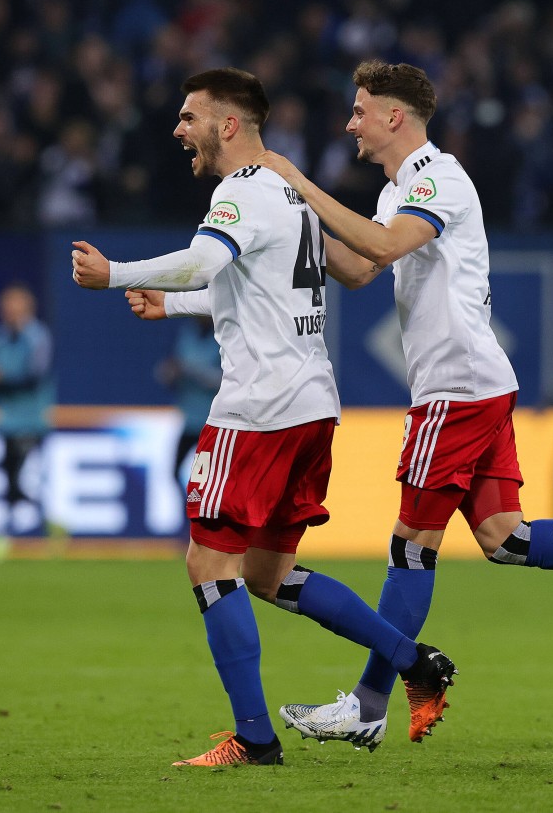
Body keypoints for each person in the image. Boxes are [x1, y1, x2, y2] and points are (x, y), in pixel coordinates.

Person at [251, 60, 553, 752]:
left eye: (361, 110)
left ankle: (368, 703)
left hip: (454, 390)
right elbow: (361, 267)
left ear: (395, 117)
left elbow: (385, 247)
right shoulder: (403, 189)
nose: (350, 123)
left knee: (409, 547)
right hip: (475, 384)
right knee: (505, 540)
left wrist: (299, 183)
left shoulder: (436, 179)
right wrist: (289, 217)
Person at [70, 67, 457, 768]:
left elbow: (201, 263)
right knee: (270, 574)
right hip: (311, 403)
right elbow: (253, 286)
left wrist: (119, 274)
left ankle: (253, 737)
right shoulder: (286, 190)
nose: (179, 129)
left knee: (208, 563)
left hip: (256, 409)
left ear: (228, 124)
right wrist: (174, 306)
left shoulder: (242, 190)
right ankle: (413, 660)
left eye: (190, 117)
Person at [0, 283, 54, 562]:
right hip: (6, 419)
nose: (10, 312)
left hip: (32, 420)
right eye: (7, 307)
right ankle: (48, 524)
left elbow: (35, 375)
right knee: (12, 477)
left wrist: (0, 377)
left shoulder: (38, 337)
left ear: (28, 308)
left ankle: (9, 533)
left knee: (21, 476)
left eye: (15, 306)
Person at [156, 317, 222, 484]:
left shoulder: (223, 336)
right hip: (190, 420)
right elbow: (168, 373)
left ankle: (204, 509)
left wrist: (193, 371)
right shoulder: (188, 332)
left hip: (210, 423)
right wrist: (171, 373)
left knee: (204, 476)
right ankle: (186, 509)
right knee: (175, 473)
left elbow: (227, 380)